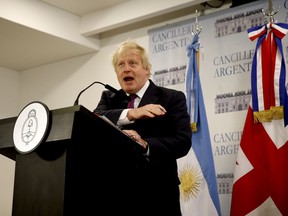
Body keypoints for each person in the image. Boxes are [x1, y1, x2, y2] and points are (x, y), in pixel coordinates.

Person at [93, 40, 192, 216]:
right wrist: (132, 113)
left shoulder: (171, 97)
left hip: (157, 193)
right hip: (115, 194)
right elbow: (96, 121)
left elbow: (182, 142)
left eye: (133, 63)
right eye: (120, 64)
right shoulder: (109, 98)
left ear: (147, 69)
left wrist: (146, 145)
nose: (126, 69)